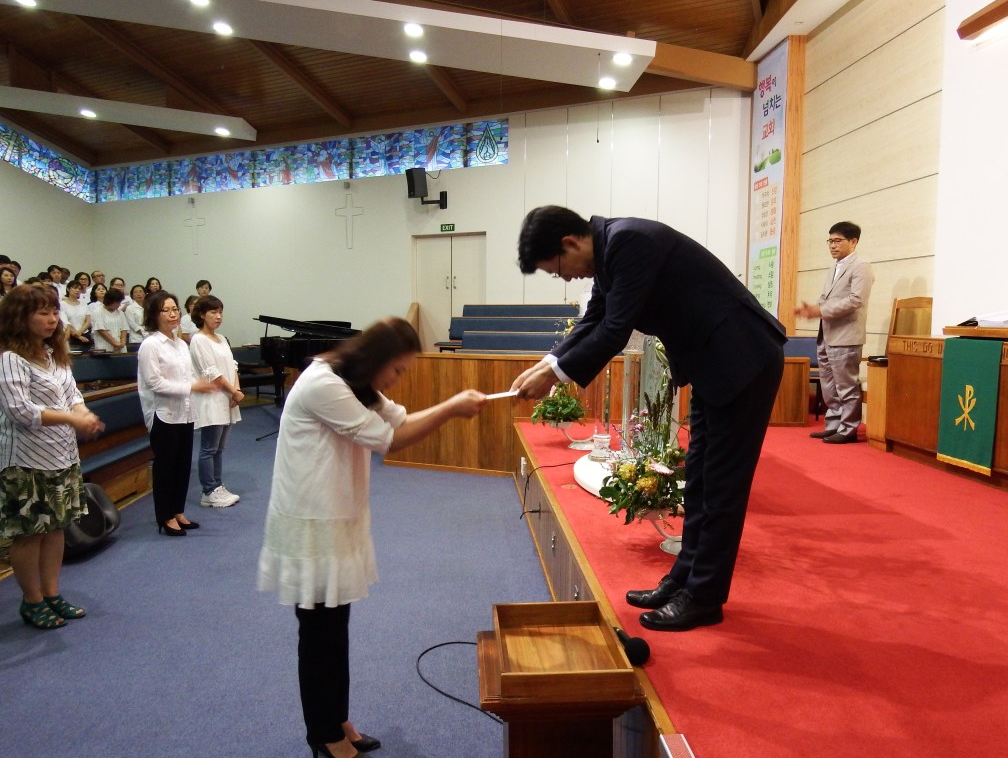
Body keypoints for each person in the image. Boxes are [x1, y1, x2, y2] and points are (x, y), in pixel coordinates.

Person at [511, 206, 787, 632]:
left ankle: (704, 597)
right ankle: (683, 579)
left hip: (743, 359)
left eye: (558, 270)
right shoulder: (608, 253)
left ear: (570, 242)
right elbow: (593, 319)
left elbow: (615, 329)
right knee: (700, 481)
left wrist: (555, 375)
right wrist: (547, 363)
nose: (565, 279)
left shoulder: (629, 241)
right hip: (713, 365)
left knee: (722, 487)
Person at [257, 317, 486, 758]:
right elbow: (389, 439)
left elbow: (399, 418)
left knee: (335, 630)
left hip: (336, 518)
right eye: (397, 370)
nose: (397, 379)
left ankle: (337, 719)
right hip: (311, 525)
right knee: (319, 635)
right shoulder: (323, 383)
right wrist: (450, 408)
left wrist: (453, 406)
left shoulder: (357, 383)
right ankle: (323, 734)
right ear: (376, 359)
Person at [0, 284, 104, 629]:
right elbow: (22, 412)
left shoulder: (53, 353)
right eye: (43, 313)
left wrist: (83, 413)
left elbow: (72, 394)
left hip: (62, 457)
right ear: (20, 317)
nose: (53, 319)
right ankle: (32, 600)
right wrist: (72, 419)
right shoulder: (8, 360)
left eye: (55, 312)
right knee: (30, 535)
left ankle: (52, 593)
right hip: (25, 463)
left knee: (56, 530)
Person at [137, 290, 217, 536]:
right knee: (165, 468)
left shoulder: (181, 344)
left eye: (175, 309)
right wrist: (192, 387)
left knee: (182, 466)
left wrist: (198, 386)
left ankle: (178, 511)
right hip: (164, 414)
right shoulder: (150, 345)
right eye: (167, 310)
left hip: (185, 413)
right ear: (154, 314)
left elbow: (188, 376)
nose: (173, 314)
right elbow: (155, 383)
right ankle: (165, 516)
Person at [795, 221, 874, 444]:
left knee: (846, 385)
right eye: (830, 241)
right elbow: (826, 298)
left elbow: (856, 300)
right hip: (827, 333)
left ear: (853, 241)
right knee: (829, 385)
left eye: (837, 241)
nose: (832, 245)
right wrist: (812, 309)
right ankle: (833, 425)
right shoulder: (834, 268)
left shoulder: (861, 266)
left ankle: (848, 429)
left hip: (846, 336)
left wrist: (820, 310)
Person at [189, 295, 244, 508]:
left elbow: (232, 365)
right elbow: (211, 372)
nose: (218, 316)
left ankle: (218, 486)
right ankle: (209, 490)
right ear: (202, 315)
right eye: (213, 312)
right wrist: (233, 392)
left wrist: (236, 390)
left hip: (228, 396)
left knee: (219, 448)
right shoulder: (198, 339)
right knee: (209, 448)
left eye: (220, 312)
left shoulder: (220, 338)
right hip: (212, 398)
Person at [90, 287, 128, 353]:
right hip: (104, 347)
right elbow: (101, 330)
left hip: (121, 347)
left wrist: (122, 342)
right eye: (118, 302)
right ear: (111, 301)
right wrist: (115, 343)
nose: (119, 305)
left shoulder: (120, 312)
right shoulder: (97, 312)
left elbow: (124, 328)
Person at [59, 280, 92, 349]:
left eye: (79, 289)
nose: (77, 290)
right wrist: (77, 335)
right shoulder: (62, 304)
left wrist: (80, 332)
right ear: (68, 289)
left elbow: (88, 321)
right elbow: (65, 322)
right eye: (75, 288)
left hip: (84, 334)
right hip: (69, 335)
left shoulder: (83, 304)